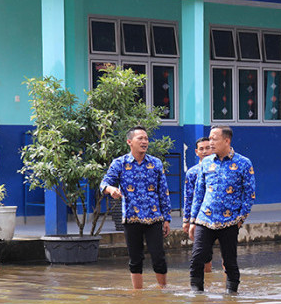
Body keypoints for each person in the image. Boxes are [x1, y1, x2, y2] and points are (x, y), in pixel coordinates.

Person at [101, 126, 172, 290]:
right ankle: (137, 294)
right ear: (129, 142)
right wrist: (111, 190)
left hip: (154, 217)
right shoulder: (120, 163)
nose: (144, 141)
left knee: (158, 257)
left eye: (146, 138)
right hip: (131, 218)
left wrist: (167, 219)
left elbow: (163, 192)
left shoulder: (156, 163)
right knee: (135, 258)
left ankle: (164, 290)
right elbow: (104, 183)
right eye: (140, 138)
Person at [188, 126, 256, 294]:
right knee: (197, 258)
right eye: (209, 138)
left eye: (214, 139)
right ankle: (196, 295)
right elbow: (199, 193)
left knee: (230, 261)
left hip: (230, 221)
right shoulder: (206, 163)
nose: (210, 142)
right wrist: (192, 220)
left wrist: (240, 218)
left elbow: (250, 194)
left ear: (227, 141)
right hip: (205, 219)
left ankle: (232, 295)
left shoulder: (243, 163)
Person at [183, 137, 214, 273]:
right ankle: (207, 280)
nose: (205, 151)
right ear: (196, 152)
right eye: (201, 149)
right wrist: (187, 220)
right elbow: (188, 197)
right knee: (202, 252)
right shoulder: (192, 173)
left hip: (219, 214)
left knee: (227, 252)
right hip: (200, 217)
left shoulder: (221, 168)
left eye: (208, 148)